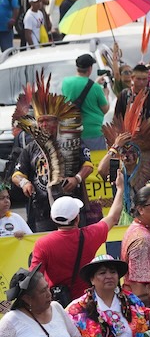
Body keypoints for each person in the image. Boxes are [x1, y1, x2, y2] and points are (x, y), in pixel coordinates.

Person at [12, 78, 96, 233]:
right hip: (42, 211)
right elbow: (17, 173)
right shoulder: (31, 147)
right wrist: (24, 183)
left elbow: (88, 164)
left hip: (71, 206)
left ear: (57, 122)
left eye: (47, 121)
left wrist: (76, 178)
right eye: (40, 121)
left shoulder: (72, 142)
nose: (44, 125)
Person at [29, 185, 124, 305]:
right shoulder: (90, 235)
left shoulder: (43, 244)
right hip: (88, 303)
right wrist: (120, 188)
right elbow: (113, 217)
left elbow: (34, 278)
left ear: (53, 219)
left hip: (58, 305)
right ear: (77, 218)